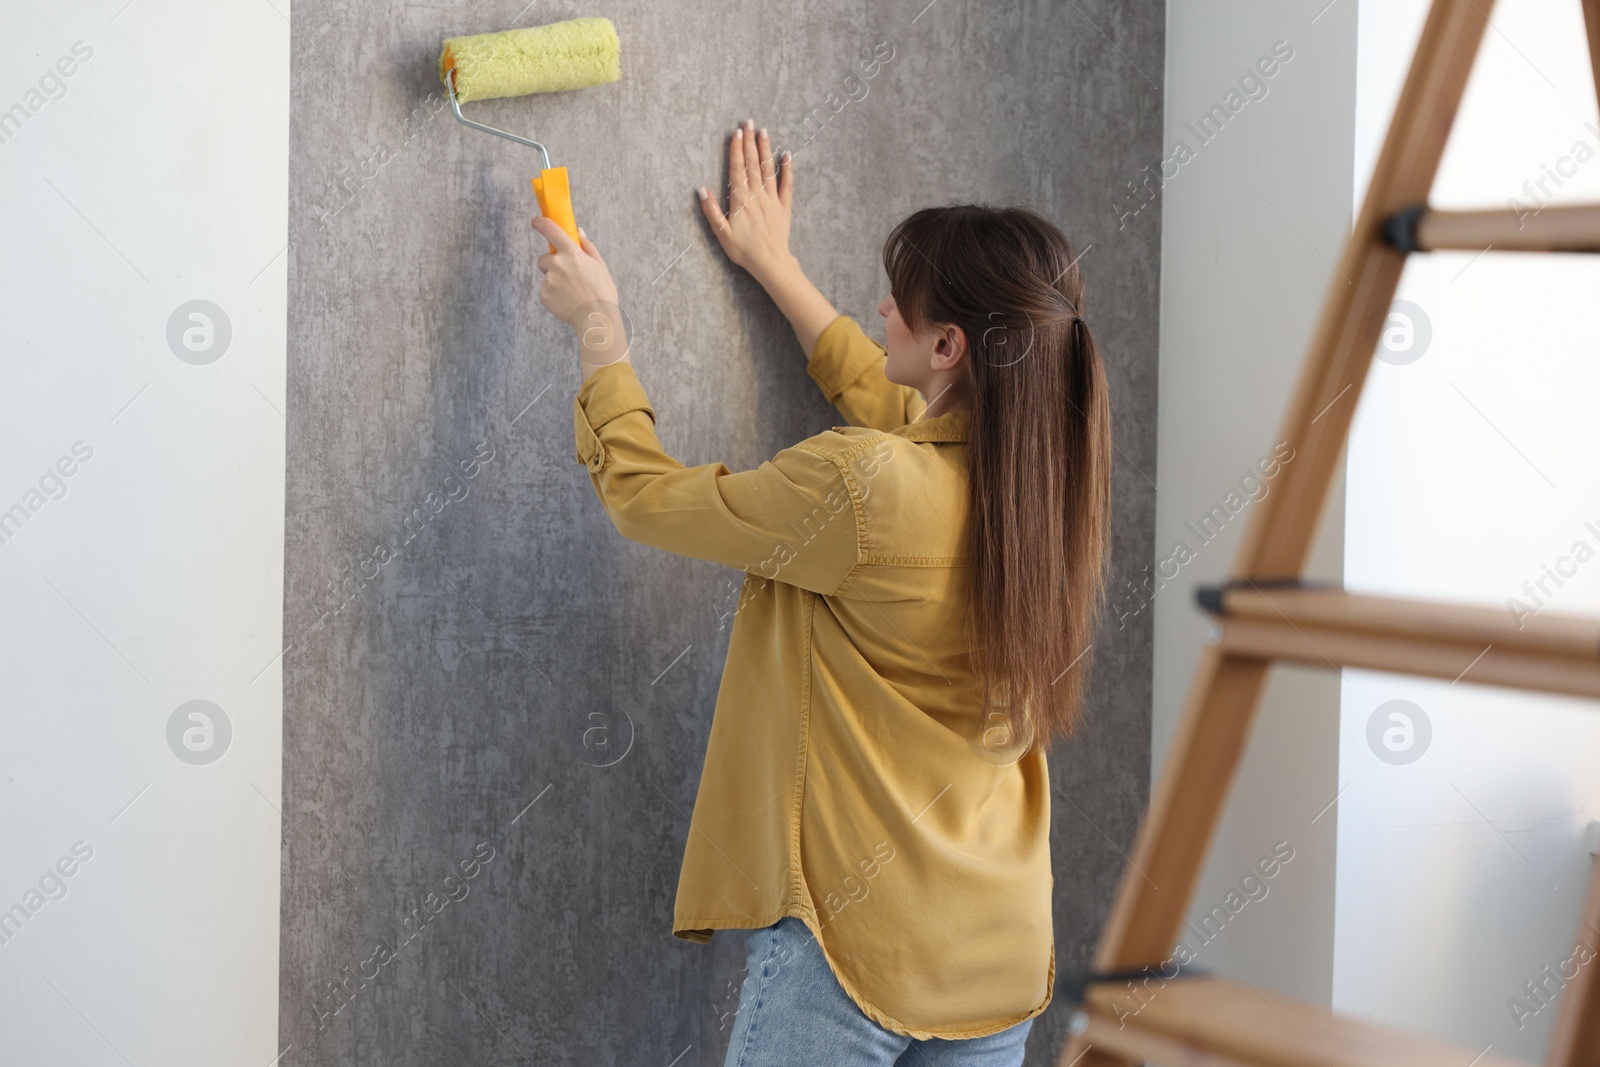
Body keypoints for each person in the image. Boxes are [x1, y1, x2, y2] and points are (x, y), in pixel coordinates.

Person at [532, 118, 1111, 1067]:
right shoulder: (1048, 492)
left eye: (902, 301)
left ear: (951, 345)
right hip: (998, 956)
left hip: (857, 953)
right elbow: (906, 416)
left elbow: (643, 498)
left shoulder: (860, 488)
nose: (881, 306)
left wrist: (599, 325)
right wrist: (775, 267)